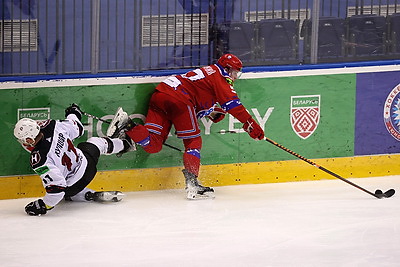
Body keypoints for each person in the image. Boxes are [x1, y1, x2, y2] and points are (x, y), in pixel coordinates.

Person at [107, 54, 264, 200]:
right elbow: (234, 105)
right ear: (227, 69)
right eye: (235, 73)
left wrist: (211, 111)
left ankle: (127, 124)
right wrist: (250, 124)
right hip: (179, 100)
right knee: (193, 142)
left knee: (153, 145)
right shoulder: (220, 77)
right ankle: (192, 185)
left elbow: (199, 95)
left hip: (161, 94)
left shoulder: (209, 72)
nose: (235, 77)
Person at [13, 104, 135, 216]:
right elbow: (77, 127)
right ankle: (125, 143)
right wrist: (74, 112)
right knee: (95, 143)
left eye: (23, 140)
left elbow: (57, 188)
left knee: (67, 190)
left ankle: (83, 194)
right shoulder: (53, 127)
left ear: (29, 140)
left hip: (73, 186)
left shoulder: (39, 159)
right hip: (87, 164)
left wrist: (44, 205)